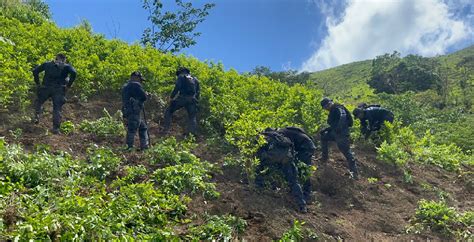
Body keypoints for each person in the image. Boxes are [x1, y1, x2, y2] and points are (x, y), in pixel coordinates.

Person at [255, 127, 316, 213]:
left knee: (259, 169)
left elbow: (258, 157)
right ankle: (302, 205)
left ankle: (259, 188)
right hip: (287, 158)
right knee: (293, 181)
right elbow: (291, 147)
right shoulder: (281, 135)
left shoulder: (265, 137)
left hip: (272, 158)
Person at [32, 53, 77, 134]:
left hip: (45, 87)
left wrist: (38, 83)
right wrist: (68, 86)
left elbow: (35, 71)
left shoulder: (47, 64)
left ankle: (36, 117)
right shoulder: (66, 66)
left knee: (39, 102)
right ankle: (55, 129)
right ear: (63, 60)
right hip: (58, 90)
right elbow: (74, 73)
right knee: (57, 109)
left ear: (56, 58)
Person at [320, 97, 359, 179]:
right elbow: (334, 124)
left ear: (330, 103)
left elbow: (343, 117)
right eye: (325, 108)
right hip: (336, 133)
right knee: (324, 137)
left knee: (346, 152)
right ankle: (324, 158)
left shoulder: (338, 108)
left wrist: (339, 128)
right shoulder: (333, 110)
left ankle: (354, 173)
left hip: (341, 134)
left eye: (326, 106)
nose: (326, 108)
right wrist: (326, 129)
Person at [162, 67, 200, 135]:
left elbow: (177, 87)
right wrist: (196, 100)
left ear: (181, 72)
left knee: (169, 111)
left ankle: (166, 130)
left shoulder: (181, 76)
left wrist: (171, 97)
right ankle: (192, 134)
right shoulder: (195, 79)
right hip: (192, 100)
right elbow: (198, 91)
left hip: (182, 98)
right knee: (192, 116)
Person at [122, 71, 149, 151]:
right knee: (132, 129)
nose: (140, 82)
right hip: (134, 111)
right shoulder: (135, 84)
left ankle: (144, 147)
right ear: (136, 77)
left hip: (127, 110)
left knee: (143, 127)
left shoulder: (125, 86)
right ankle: (129, 148)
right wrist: (147, 95)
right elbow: (144, 97)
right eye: (140, 79)